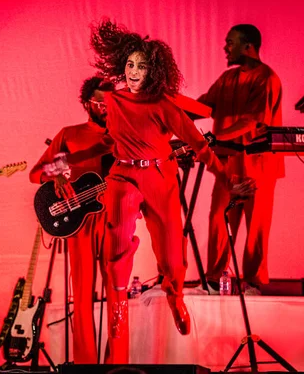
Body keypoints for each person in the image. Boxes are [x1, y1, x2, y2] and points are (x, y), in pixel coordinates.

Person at [89, 19, 253, 364]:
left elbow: (198, 143)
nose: (134, 72)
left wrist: (225, 179)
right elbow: (108, 140)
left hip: (160, 176)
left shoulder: (164, 104)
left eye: (142, 66)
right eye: (130, 64)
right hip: (123, 175)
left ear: (154, 71)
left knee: (173, 256)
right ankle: (118, 309)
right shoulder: (114, 101)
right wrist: (67, 160)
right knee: (115, 236)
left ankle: (175, 294)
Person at [29, 76, 117, 364]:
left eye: (111, 103)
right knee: (81, 294)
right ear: (86, 104)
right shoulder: (71, 134)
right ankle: (86, 364)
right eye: (99, 103)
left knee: (118, 295)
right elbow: (37, 173)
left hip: (116, 218)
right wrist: (55, 176)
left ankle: (119, 365)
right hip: (80, 223)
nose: (106, 108)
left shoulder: (123, 133)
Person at [195, 24, 284, 295]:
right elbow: (204, 105)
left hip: (259, 165)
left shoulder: (266, 78)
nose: (225, 47)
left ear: (248, 46)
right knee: (218, 220)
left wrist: (214, 137)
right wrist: (171, 109)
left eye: (230, 42)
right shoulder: (227, 79)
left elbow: (252, 120)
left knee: (256, 226)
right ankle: (213, 280)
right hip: (228, 165)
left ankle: (253, 283)